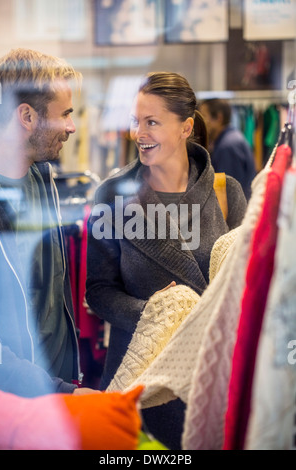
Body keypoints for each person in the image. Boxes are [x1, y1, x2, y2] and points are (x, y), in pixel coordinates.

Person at [86, 71, 247, 449]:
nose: (138, 133)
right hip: (141, 379)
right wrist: (156, 313)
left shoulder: (226, 193)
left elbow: (244, 283)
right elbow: (98, 290)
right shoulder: (113, 195)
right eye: (135, 121)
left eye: (152, 122)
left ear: (185, 127)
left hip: (209, 380)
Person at [0, 48, 94, 397]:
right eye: (64, 114)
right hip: (16, 409)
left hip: (60, 391)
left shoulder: (43, 176)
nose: (71, 126)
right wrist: (60, 392)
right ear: (26, 116)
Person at [199, 98, 256, 200]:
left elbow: (227, 194)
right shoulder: (231, 138)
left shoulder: (228, 146)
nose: (201, 123)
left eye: (204, 117)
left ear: (218, 118)